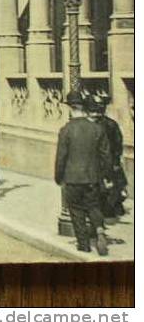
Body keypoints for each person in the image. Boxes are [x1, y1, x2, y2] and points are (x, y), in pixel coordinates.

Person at [55, 91, 110, 255]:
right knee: (93, 206)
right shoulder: (97, 129)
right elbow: (106, 156)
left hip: (72, 178)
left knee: (77, 210)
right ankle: (100, 230)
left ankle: (83, 244)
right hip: (92, 178)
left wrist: (59, 177)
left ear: (71, 109)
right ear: (84, 109)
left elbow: (61, 157)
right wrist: (103, 175)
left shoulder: (66, 130)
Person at [87, 92, 126, 220]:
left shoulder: (94, 125)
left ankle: (109, 208)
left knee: (103, 187)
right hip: (109, 160)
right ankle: (113, 207)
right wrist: (116, 160)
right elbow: (118, 143)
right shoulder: (111, 123)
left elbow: (116, 143)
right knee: (113, 185)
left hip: (100, 161)